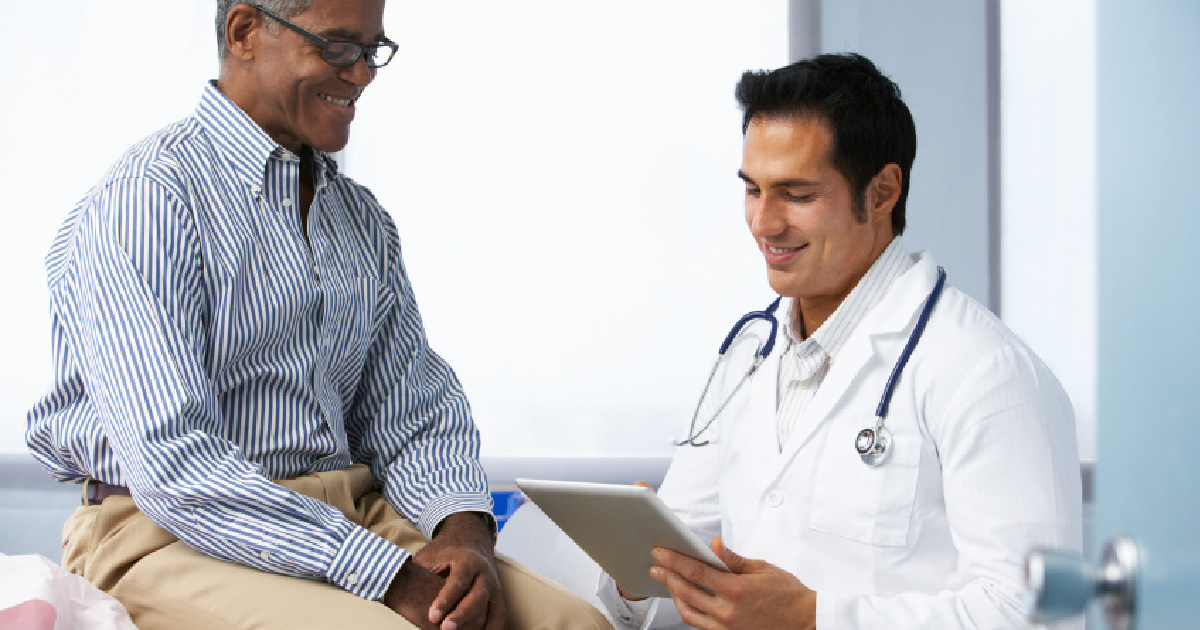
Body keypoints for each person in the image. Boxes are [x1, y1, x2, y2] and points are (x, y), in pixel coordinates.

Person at [24, 2, 611, 629]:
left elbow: (411, 415)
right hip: (165, 531)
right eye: (337, 47)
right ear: (245, 33)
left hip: (349, 517)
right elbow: (177, 466)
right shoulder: (148, 199)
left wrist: (464, 534)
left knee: (575, 623)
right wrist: (385, 574)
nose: (362, 74)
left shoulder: (360, 220)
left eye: (371, 48)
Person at [595, 53, 1083, 629]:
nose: (763, 223)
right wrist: (634, 576)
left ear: (881, 193)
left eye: (796, 195)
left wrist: (813, 619)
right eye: (753, 189)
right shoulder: (748, 357)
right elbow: (677, 579)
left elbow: (1038, 614)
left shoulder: (987, 373)